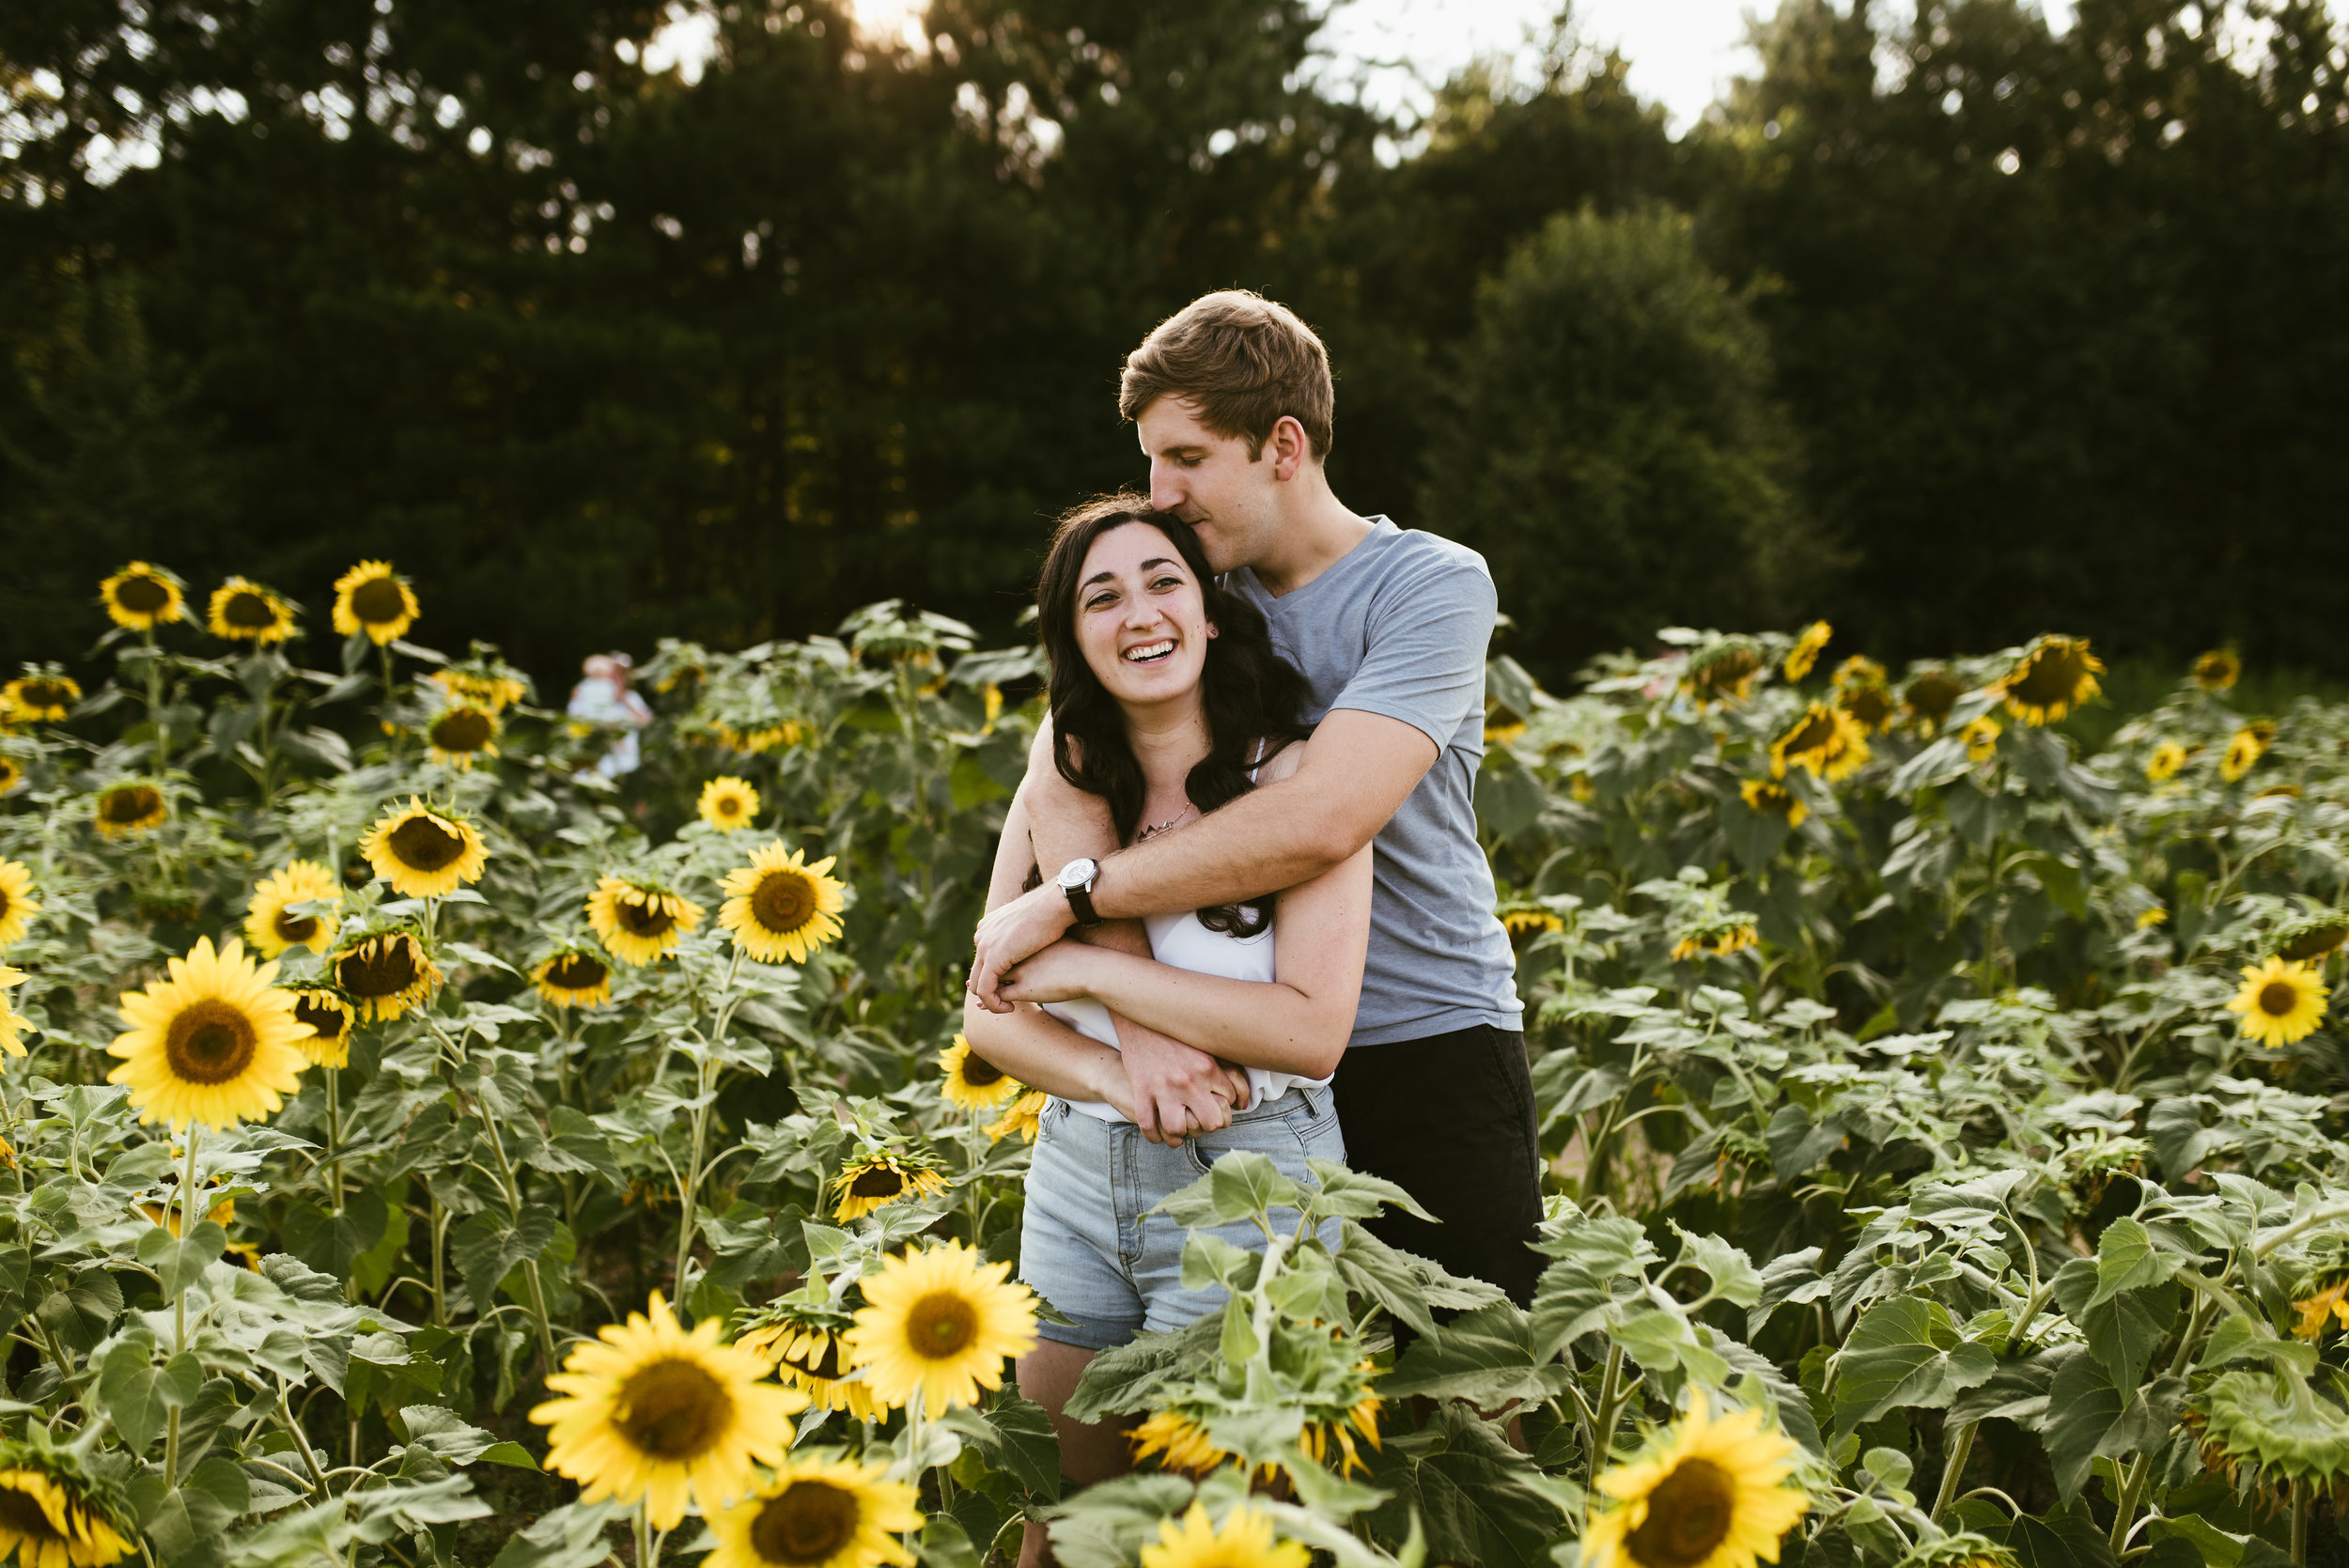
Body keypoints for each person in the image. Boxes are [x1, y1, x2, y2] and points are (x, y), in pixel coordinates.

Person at [969, 289, 1542, 1312]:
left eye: (1185, 458)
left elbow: (1320, 820)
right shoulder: (1192, 597)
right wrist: (1139, 1025)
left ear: (1282, 444)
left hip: (1424, 1040)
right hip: (1231, 1067)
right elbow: (1064, 752)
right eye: (1152, 460)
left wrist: (1074, 902)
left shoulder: (1428, 585)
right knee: (1267, 1410)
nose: (1161, 492)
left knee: (1467, 1391)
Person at [960, 496, 1373, 1565]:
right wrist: (1114, 1066)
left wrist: (1088, 959)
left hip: (1255, 1182)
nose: (1137, 613)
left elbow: (1312, 1030)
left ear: (1211, 613)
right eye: (1102, 596)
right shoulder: (1058, 776)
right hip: (1076, 1172)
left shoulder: (1292, 783)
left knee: (1227, 1534)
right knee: (1056, 1516)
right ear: (1073, 636)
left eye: (1162, 582)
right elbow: (987, 1012)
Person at [566, 653, 653, 778]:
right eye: (614, 672)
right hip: (595, 763)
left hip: (627, 764)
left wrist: (625, 702)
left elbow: (646, 720)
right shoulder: (585, 694)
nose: (617, 677)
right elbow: (575, 721)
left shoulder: (631, 697)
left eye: (622, 673)